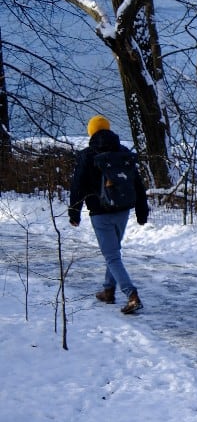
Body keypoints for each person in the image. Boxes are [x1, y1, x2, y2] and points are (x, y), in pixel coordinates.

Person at [68, 115, 150, 315]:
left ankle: (131, 294)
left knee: (111, 255)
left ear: (91, 132)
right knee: (113, 252)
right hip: (122, 210)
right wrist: (142, 211)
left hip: (100, 212)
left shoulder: (87, 155)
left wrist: (74, 212)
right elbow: (137, 183)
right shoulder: (123, 152)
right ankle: (108, 290)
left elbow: (77, 186)